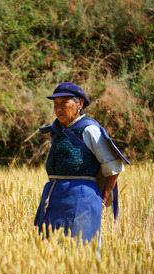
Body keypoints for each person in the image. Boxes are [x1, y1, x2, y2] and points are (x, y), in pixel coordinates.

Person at [34, 82, 130, 245]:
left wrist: (102, 199)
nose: (59, 108)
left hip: (81, 198)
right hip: (53, 197)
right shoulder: (56, 131)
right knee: (50, 250)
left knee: (81, 249)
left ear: (80, 104)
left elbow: (113, 167)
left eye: (64, 103)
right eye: (56, 104)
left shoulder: (89, 130)